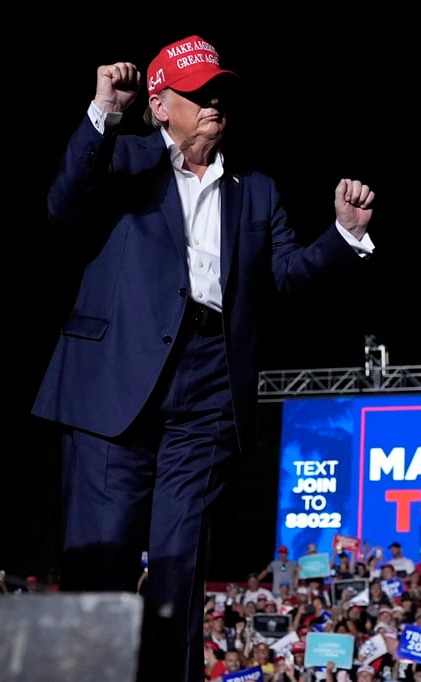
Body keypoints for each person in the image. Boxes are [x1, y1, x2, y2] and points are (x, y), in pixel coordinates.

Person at [31, 34, 377, 682]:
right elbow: (62, 206)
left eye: (221, 92)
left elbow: (285, 277)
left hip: (209, 382)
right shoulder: (123, 160)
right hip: (115, 380)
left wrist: (343, 237)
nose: (215, 101)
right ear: (161, 105)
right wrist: (104, 111)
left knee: (179, 560)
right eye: (199, 92)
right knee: (101, 560)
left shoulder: (256, 189)